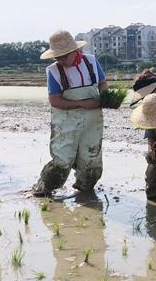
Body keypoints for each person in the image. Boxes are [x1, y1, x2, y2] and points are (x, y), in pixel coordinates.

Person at [32, 30, 108, 196]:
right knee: (62, 160)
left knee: (91, 159)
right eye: (57, 57)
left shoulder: (91, 62)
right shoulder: (53, 71)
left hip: (92, 120)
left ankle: (84, 191)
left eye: (63, 57)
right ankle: (43, 190)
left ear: (75, 51)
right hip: (65, 121)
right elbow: (55, 100)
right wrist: (82, 104)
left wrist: (105, 96)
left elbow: (102, 82)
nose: (60, 61)